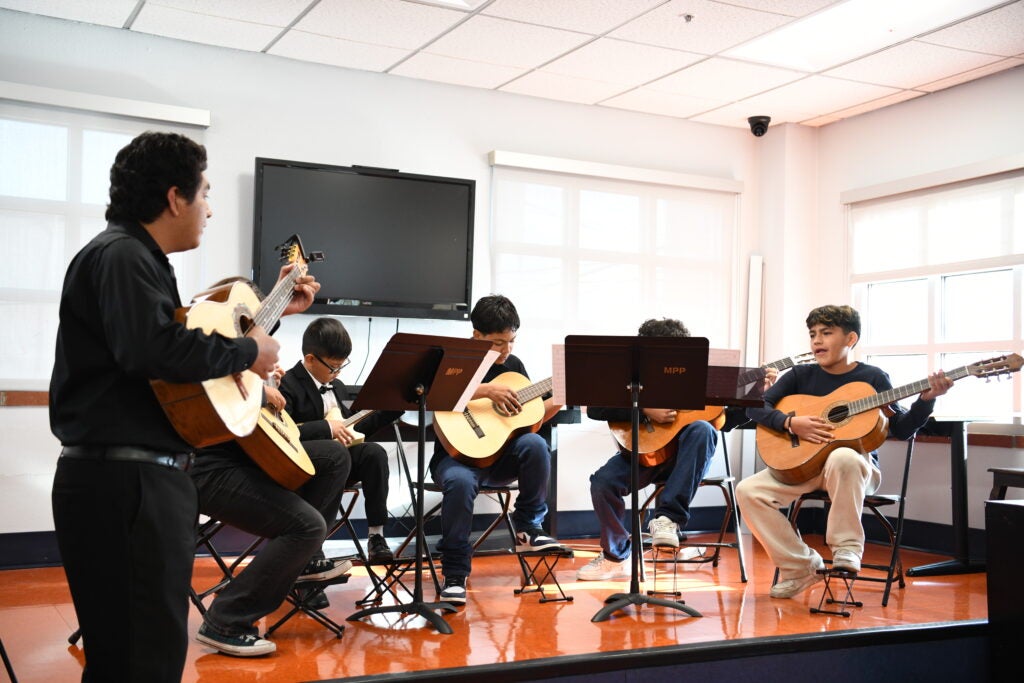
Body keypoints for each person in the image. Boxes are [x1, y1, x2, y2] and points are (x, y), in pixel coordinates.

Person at [49, 131, 316, 682]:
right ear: (175, 197)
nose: (209, 209)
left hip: (135, 482)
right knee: (140, 657)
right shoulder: (123, 255)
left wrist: (272, 314)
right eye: (205, 193)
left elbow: (174, 362)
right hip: (126, 486)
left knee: (141, 654)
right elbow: (152, 348)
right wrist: (249, 352)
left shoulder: (131, 257)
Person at [736, 305, 952, 599]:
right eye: (813, 334)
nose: (817, 340)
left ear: (850, 338)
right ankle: (800, 567)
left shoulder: (873, 378)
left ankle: (847, 549)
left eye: (826, 333)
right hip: (804, 466)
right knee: (748, 490)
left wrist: (926, 401)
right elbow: (755, 407)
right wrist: (790, 423)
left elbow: (901, 429)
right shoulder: (800, 375)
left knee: (843, 456)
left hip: (855, 468)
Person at [577, 318, 775, 581]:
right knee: (602, 483)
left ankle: (669, 519)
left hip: (687, 461)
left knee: (703, 429)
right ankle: (615, 556)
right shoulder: (631, 377)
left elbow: (726, 421)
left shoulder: (702, 379)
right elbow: (595, 408)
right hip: (644, 455)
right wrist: (644, 409)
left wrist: (757, 395)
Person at [430, 294, 563, 605]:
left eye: (511, 341)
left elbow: (530, 419)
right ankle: (455, 573)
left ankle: (528, 527)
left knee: (535, 443)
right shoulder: (453, 361)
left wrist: (560, 399)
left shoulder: (514, 367)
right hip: (456, 459)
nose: (507, 350)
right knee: (460, 482)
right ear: (476, 335)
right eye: (498, 343)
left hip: (500, 459)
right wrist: (487, 390)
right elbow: (434, 394)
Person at [279, 316, 403, 563]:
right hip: (304, 466)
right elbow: (282, 432)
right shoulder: (287, 384)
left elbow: (352, 430)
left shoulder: (337, 386)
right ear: (310, 359)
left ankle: (376, 535)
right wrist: (326, 428)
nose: (337, 373)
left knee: (374, 453)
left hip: (340, 463)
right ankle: (312, 546)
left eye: (341, 366)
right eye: (333, 367)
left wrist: (393, 408)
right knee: (334, 454)